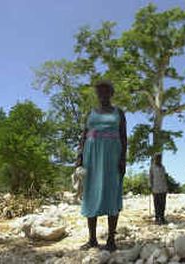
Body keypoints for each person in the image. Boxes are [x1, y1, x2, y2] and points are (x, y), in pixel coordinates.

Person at [76, 80, 127, 252]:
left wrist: (123, 159)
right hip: (91, 157)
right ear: (97, 94)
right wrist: (79, 158)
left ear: (111, 93)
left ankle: (111, 240)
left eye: (106, 91)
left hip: (112, 157)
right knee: (91, 193)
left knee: (112, 193)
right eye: (99, 91)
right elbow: (83, 136)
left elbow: (124, 137)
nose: (102, 94)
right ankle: (92, 240)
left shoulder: (119, 113)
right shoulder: (90, 113)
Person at [149, 153, 168, 225]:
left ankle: (162, 218)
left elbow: (164, 177)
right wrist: (150, 186)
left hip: (163, 188)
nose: (159, 159)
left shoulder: (163, 167)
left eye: (160, 158)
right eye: (158, 158)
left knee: (163, 204)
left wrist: (166, 187)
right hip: (155, 189)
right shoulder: (152, 167)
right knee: (156, 204)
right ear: (155, 159)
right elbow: (150, 177)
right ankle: (157, 218)